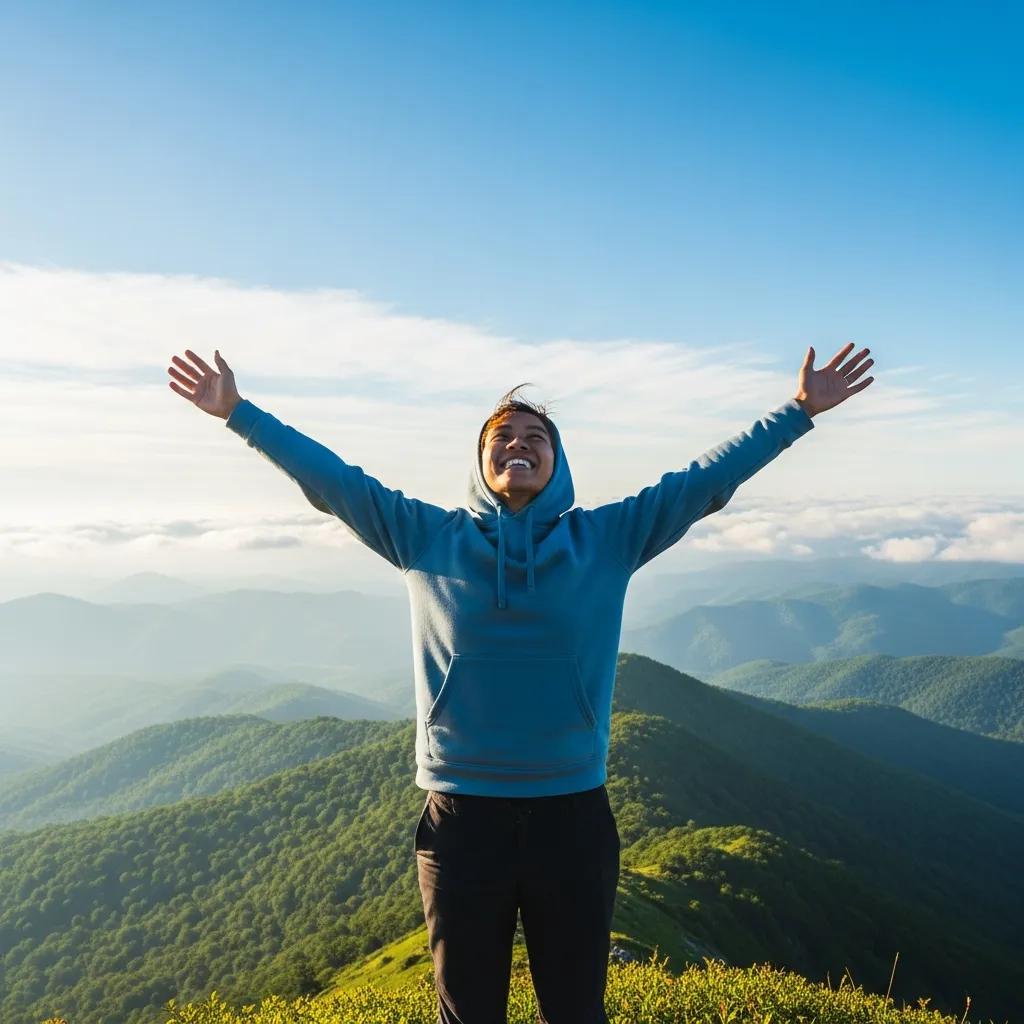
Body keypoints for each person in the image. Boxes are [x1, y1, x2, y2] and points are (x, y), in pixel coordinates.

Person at [167, 342, 874, 1023]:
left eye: (535, 436)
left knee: (573, 1010)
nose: (518, 445)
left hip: (571, 814)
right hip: (462, 818)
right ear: (480, 463)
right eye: (501, 437)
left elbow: (701, 485)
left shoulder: (608, 538)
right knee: (469, 1012)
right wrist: (239, 413)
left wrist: (797, 412)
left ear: (557, 461)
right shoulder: (425, 536)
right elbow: (333, 481)